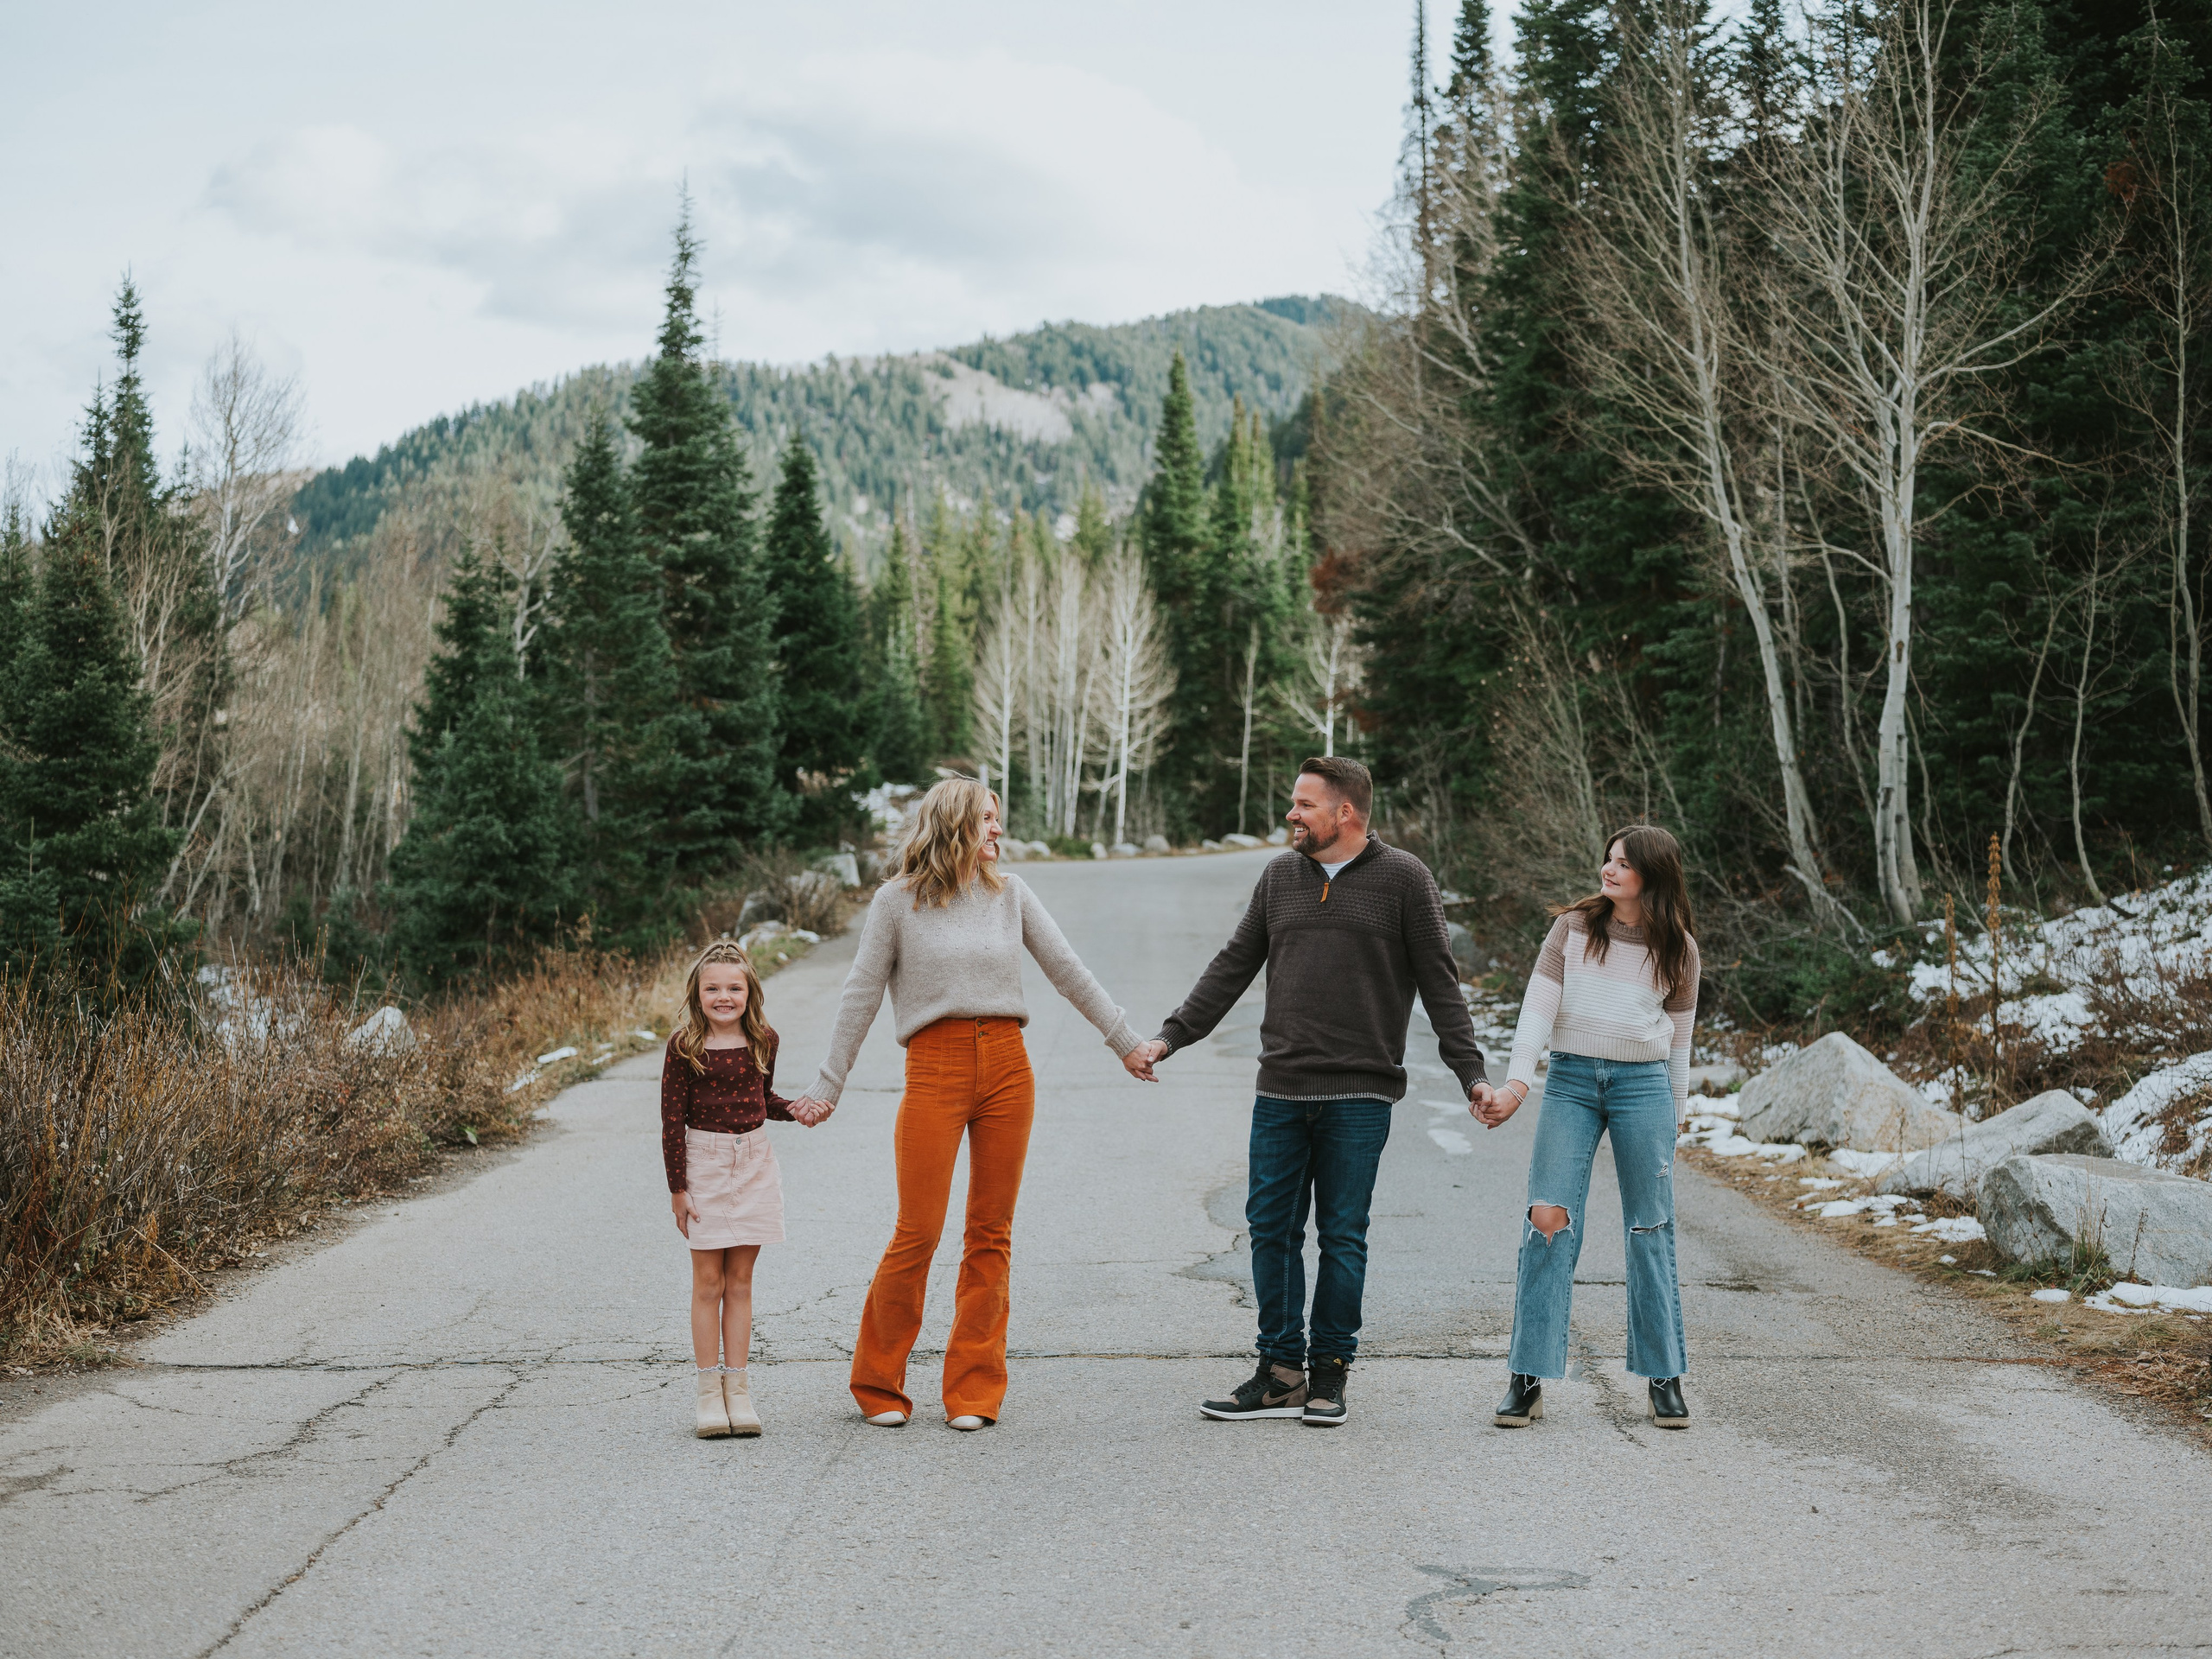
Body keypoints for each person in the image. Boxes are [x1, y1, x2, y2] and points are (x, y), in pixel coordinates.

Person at [1124, 756, 1491, 1427]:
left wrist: (1472, 1074)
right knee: (1271, 1230)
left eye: (1304, 804)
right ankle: (1280, 1373)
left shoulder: (1405, 879)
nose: (1291, 814)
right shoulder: (1280, 877)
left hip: (1360, 1094)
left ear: (1344, 812)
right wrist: (1169, 1038)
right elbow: (1233, 965)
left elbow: (1440, 985)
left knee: (1343, 1235)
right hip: (1282, 1090)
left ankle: (1329, 1373)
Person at [791, 777, 1144, 1431]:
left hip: (1008, 1065)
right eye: (987, 818)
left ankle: (975, 1391)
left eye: (997, 818)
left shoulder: (1012, 894)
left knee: (990, 1232)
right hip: (935, 1067)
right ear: (954, 823)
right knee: (918, 1231)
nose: (998, 830)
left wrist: (1124, 1042)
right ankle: (878, 1384)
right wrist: (827, 1085)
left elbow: (1068, 971)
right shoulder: (896, 902)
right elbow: (860, 992)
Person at [1472, 824, 1700, 1431]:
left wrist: (1675, 1116)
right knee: (1547, 1218)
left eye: (1623, 863)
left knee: (1650, 1226)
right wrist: (1518, 1084)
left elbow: (1680, 1044)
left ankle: (1664, 1376)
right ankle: (1527, 1376)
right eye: (1608, 859)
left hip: (1644, 1087)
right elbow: (1536, 1010)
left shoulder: (1678, 948)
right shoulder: (1573, 928)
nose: (1609, 869)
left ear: (1653, 875)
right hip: (1571, 1081)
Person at [664, 940, 820, 1439]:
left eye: (734, 988)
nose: (724, 997)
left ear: (750, 993)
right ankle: (708, 1393)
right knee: (708, 1283)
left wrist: (795, 1109)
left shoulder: (763, 1040)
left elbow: (762, 1098)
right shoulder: (684, 1046)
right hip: (704, 1165)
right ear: (697, 993)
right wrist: (678, 1189)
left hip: (754, 1162)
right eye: (713, 988)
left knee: (741, 1282)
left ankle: (738, 1389)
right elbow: (672, 1121)